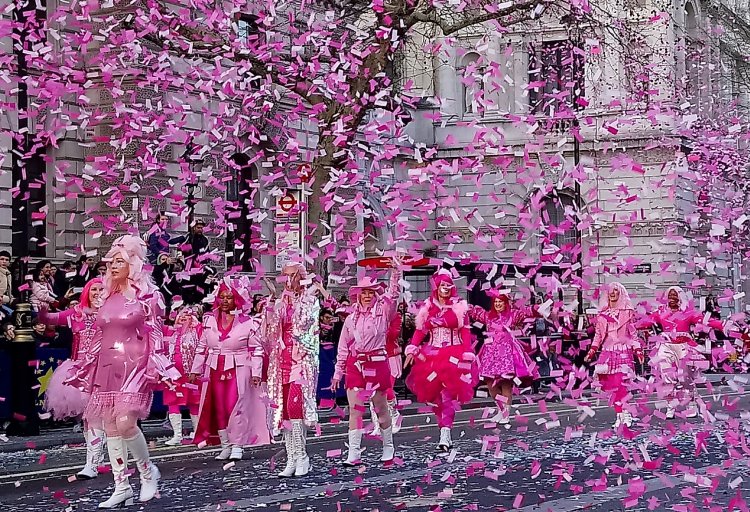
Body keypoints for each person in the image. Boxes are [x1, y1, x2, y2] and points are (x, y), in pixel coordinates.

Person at [66, 235, 179, 507]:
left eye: (119, 261)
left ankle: (146, 471)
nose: (113, 266)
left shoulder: (148, 297)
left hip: (135, 366)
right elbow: (96, 335)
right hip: (107, 366)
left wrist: (157, 364)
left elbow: (156, 334)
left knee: (126, 422)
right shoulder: (107, 296)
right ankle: (121, 485)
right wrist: (84, 365)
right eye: (111, 262)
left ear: (133, 263)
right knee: (109, 425)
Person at [190, 278, 271, 459]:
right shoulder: (209, 320)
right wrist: (195, 369)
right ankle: (225, 444)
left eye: (229, 297)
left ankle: (237, 444)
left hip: (239, 368)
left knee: (236, 405)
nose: (225, 301)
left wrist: (256, 373)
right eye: (222, 297)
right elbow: (202, 347)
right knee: (218, 407)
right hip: (214, 367)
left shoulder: (248, 322)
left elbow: (257, 348)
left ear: (237, 300)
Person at [331, 264, 401, 465]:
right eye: (364, 293)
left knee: (380, 408)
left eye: (371, 293)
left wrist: (395, 272)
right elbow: (343, 347)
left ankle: (388, 446)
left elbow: (393, 295)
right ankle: (354, 452)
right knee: (356, 409)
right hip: (356, 365)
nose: (368, 296)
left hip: (378, 362)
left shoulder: (383, 313)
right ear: (358, 296)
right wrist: (337, 374)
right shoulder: (351, 319)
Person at [404, 268, 478, 451]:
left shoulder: (459, 307)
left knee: (446, 396)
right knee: (435, 397)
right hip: (431, 356)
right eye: (441, 285)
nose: (445, 288)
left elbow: (466, 332)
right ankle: (443, 429)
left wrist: (468, 354)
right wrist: (412, 348)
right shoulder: (428, 307)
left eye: (448, 285)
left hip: (453, 356)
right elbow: (420, 330)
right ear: (436, 286)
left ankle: (445, 434)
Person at [39, 278, 104, 479]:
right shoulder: (76, 314)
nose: (97, 292)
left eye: (102, 289)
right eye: (94, 289)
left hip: (105, 370)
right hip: (79, 370)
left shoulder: (112, 314)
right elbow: (50, 319)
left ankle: (94, 463)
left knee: (95, 418)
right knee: (88, 418)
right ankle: (95, 461)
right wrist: (43, 310)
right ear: (86, 292)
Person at [263, 261, 320, 478]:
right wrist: (272, 302)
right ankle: (291, 457)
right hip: (281, 362)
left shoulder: (310, 301)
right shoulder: (280, 303)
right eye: (285, 276)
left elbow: (306, 327)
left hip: (301, 361)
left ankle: (302, 455)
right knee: (283, 410)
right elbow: (268, 334)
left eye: (293, 276)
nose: (288, 280)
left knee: (295, 406)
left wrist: (295, 303)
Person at [641, 286, 720, 419]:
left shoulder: (688, 313)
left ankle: (691, 405)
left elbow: (707, 322)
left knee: (685, 378)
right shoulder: (660, 312)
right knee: (667, 377)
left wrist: (722, 325)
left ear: (680, 297)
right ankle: (670, 405)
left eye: (675, 296)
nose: (672, 299)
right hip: (666, 346)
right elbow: (645, 322)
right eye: (670, 296)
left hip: (684, 347)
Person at [469, 289, 541, 424]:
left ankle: (506, 414)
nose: (497, 304)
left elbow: (527, 313)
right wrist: (457, 305)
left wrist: (538, 307)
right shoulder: (488, 316)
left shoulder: (513, 315)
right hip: (490, 354)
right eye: (495, 302)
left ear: (505, 303)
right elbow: (474, 313)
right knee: (490, 384)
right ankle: (501, 410)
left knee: (506, 385)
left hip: (508, 354)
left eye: (500, 302)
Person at [584, 282, 644, 429]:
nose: (612, 293)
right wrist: (592, 351)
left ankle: (627, 414)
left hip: (623, 351)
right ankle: (619, 415)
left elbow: (633, 334)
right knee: (611, 387)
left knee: (621, 384)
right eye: (610, 291)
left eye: (615, 291)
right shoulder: (602, 315)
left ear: (620, 294)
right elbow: (598, 336)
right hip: (607, 353)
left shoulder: (627, 313)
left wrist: (638, 351)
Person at [162, 305, 203, 446]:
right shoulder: (170, 331)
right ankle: (177, 435)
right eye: (181, 313)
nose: (184, 316)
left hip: (191, 373)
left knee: (194, 402)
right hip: (173, 375)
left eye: (188, 314)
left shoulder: (198, 330)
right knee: (173, 402)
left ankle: (198, 433)